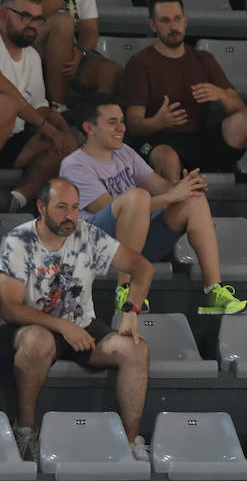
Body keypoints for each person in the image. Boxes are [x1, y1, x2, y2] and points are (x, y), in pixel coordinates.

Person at [122, 0, 247, 221]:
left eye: (177, 19)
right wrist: (157, 122)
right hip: (159, 140)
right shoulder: (140, 63)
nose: (173, 26)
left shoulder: (203, 59)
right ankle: (172, 227)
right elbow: (133, 123)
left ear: (185, 21)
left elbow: (239, 109)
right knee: (167, 157)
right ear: (153, 25)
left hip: (199, 141)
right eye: (165, 21)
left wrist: (221, 95)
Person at [0, 177, 152, 461]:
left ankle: (131, 443)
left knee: (135, 349)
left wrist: (131, 312)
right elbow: (10, 308)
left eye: (74, 207)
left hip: (83, 325)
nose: (70, 216)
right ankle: (25, 431)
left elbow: (142, 268)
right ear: (41, 207)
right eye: (61, 207)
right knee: (37, 342)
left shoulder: (89, 235)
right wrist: (62, 326)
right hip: (32, 323)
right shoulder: (18, 241)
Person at [60, 96, 247, 316]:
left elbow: (161, 187)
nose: (122, 128)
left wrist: (184, 186)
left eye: (122, 121)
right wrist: (171, 196)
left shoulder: (125, 152)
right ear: (89, 128)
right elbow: (114, 209)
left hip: (135, 238)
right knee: (137, 197)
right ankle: (124, 289)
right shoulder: (74, 164)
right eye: (113, 122)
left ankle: (213, 291)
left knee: (193, 199)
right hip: (97, 246)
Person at [0, 0, 77, 214]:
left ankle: (16, 200)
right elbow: (12, 99)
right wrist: (48, 127)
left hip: (12, 138)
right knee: (6, 105)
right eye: (26, 17)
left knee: (67, 144)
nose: (33, 25)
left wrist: (61, 128)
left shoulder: (32, 56)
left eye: (37, 19)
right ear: (4, 15)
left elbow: (39, 107)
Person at [34, 0, 122, 110]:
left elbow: (90, 29)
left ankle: (99, 119)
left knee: (110, 72)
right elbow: (36, 14)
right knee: (63, 22)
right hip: (29, 43)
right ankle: (59, 108)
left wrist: (81, 52)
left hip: (69, 47)